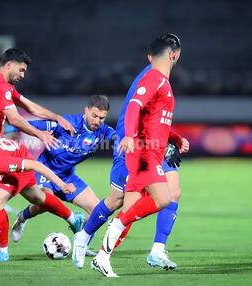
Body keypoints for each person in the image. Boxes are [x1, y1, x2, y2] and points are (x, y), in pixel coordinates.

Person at [72, 34, 189, 271]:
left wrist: (173, 138)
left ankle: (154, 250)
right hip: (138, 147)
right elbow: (135, 108)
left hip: (151, 147)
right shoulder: (152, 78)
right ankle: (85, 237)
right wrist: (129, 137)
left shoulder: (161, 80)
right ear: (174, 55)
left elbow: (157, 118)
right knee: (122, 202)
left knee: (170, 193)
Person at [9, 95, 114, 249]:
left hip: (67, 176)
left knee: (98, 211)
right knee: (46, 202)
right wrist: (8, 128)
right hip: (46, 171)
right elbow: (38, 124)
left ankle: (81, 246)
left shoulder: (103, 131)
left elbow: (120, 137)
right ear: (86, 111)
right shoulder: (68, 123)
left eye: (102, 118)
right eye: (95, 116)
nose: (97, 121)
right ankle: (22, 217)